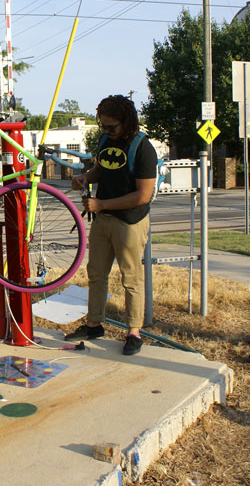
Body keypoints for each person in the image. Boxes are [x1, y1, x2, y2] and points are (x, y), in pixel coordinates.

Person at [64, 95, 157, 356]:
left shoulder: (143, 149)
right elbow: (102, 169)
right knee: (96, 273)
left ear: (126, 122)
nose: (107, 131)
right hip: (102, 219)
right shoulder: (106, 140)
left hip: (130, 222)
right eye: (103, 126)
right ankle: (94, 324)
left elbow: (143, 195)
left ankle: (134, 333)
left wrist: (102, 205)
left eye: (111, 127)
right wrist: (85, 176)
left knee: (131, 278)